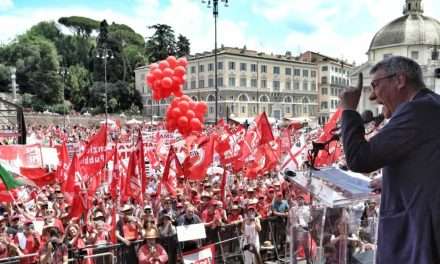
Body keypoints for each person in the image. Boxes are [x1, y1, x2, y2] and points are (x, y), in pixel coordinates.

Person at [340, 56, 440, 264]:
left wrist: (349, 109)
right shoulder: (433, 104)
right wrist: (391, 181)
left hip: (419, 234)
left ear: (400, 80)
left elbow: (359, 159)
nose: (374, 96)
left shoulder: (416, 110)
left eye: (375, 85)